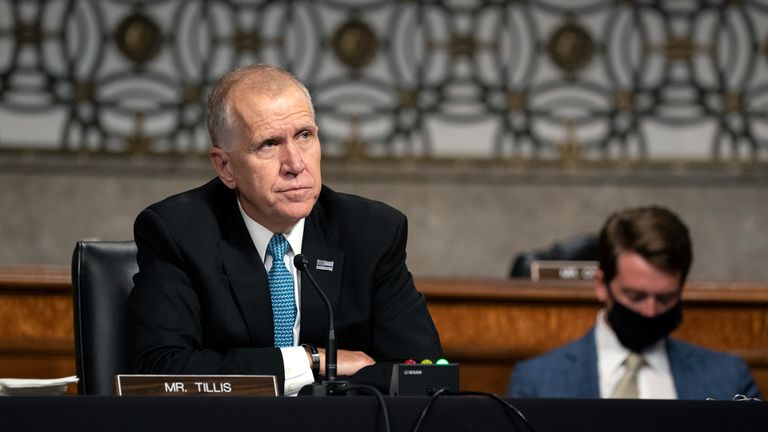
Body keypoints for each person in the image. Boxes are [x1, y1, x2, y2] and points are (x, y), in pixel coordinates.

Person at [127, 64, 442, 396]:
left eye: (305, 135)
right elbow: (161, 373)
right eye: (269, 144)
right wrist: (311, 360)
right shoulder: (178, 233)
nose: (295, 164)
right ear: (225, 166)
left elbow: (423, 375)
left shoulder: (371, 232)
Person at [506, 206, 761, 400]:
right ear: (601, 285)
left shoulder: (728, 381)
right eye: (636, 297)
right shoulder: (537, 382)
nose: (650, 311)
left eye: (664, 298)